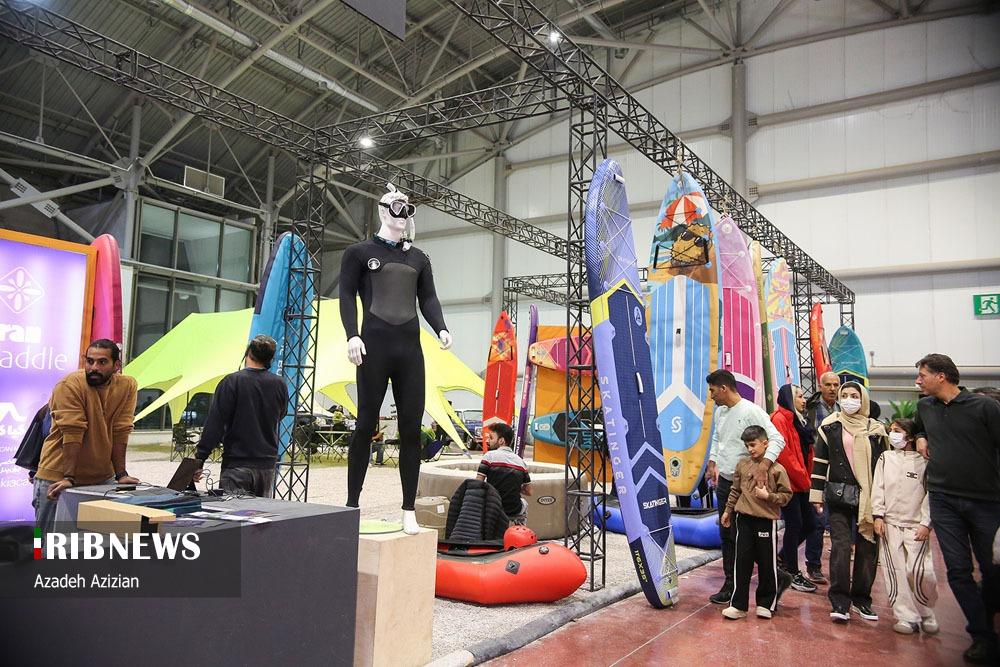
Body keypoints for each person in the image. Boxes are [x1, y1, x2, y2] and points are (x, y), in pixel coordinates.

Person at [340, 183, 452, 535]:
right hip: (373, 348)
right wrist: (352, 334)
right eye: (398, 209)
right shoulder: (359, 252)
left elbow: (428, 298)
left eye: (408, 211)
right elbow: (346, 294)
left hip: (409, 352)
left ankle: (408, 509)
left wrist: (441, 327)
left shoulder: (419, 258)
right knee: (364, 425)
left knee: (411, 431)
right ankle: (351, 505)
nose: (403, 217)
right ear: (383, 210)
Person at [913, 354, 1000, 664]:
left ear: (942, 376)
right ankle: (981, 635)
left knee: (992, 569)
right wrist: (921, 437)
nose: (918, 381)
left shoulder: (985, 407)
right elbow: (918, 428)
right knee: (958, 570)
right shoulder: (925, 407)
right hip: (943, 500)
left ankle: (987, 615)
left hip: (985, 500)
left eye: (923, 375)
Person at [32, 339, 139, 534]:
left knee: (90, 542)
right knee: (42, 537)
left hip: (102, 478)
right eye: (89, 361)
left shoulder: (127, 385)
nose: (94, 368)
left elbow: (121, 430)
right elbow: (73, 431)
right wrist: (68, 477)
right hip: (57, 476)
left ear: (116, 365)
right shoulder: (69, 384)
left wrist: (121, 474)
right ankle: (37, 554)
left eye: (102, 362)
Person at [704, 369, 788, 605]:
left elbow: (777, 439)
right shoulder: (720, 412)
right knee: (727, 535)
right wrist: (713, 460)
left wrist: (764, 466)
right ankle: (730, 584)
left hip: (747, 485)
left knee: (747, 539)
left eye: (712, 390)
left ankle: (773, 579)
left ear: (724, 389)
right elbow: (718, 438)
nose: (711, 395)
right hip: (726, 483)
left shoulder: (752, 411)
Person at [810, 381, 887, 623]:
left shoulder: (876, 430)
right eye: (845, 395)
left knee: (867, 548)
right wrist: (816, 495)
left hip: (870, 498)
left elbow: (884, 467)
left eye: (854, 395)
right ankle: (840, 601)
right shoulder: (829, 425)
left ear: (863, 399)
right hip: (839, 495)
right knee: (841, 548)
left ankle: (862, 599)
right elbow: (820, 461)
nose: (849, 400)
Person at [194, 335, 288, 497]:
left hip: (237, 463)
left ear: (248, 352)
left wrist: (199, 459)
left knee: (235, 510)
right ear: (271, 359)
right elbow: (281, 414)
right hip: (267, 465)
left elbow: (215, 424)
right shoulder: (280, 384)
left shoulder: (232, 382)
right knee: (262, 512)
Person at [871, 417, 939, 635]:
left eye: (897, 430)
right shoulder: (886, 458)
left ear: (909, 436)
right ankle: (906, 616)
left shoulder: (924, 461)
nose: (892, 434)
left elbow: (931, 495)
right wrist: (878, 516)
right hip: (890, 524)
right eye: (891, 430)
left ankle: (927, 612)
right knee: (896, 571)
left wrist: (926, 523)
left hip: (916, 525)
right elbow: (878, 487)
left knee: (920, 571)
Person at [720, 425, 793, 620]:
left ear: (765, 443)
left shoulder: (777, 469)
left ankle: (766, 603)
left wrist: (769, 496)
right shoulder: (742, 465)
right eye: (747, 446)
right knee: (741, 563)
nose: (750, 449)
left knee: (767, 563)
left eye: (753, 445)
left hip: (766, 521)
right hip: (743, 519)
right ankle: (738, 605)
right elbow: (735, 490)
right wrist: (727, 511)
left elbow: (787, 495)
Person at [770, 384, 817, 594]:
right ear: (789, 398)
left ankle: (783, 557)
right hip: (789, 484)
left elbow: (804, 451)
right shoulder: (779, 419)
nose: (803, 400)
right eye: (799, 396)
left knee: (810, 524)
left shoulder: (797, 419)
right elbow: (785, 455)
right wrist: (804, 479)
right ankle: (792, 571)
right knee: (795, 524)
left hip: (802, 482)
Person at [803, 371, 840, 584]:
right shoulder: (811, 409)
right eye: (828, 385)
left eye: (836, 385)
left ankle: (838, 570)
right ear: (820, 386)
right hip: (816, 470)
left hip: (839, 472)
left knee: (837, 522)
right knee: (816, 520)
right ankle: (813, 566)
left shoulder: (843, 409)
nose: (832, 389)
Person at [477, 421, 532, 525]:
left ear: (501, 441)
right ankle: (520, 530)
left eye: (491, 438)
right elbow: (529, 492)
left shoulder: (489, 456)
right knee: (524, 503)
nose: (488, 440)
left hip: (493, 507)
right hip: (514, 509)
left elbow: (478, 483)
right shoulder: (521, 462)